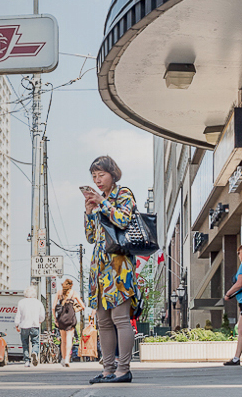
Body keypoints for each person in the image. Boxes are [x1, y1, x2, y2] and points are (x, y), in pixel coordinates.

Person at [83, 155, 140, 384]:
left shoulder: (123, 194)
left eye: (101, 174)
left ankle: (123, 369)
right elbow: (90, 237)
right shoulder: (99, 200)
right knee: (103, 321)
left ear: (112, 174)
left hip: (119, 266)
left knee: (120, 319)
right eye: (94, 176)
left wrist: (103, 203)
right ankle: (108, 370)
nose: (97, 179)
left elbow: (124, 220)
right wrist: (89, 211)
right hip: (99, 268)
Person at [54, 278, 86, 367]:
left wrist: (55, 319)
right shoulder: (74, 294)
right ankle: (67, 358)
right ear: (71, 286)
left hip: (61, 318)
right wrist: (75, 309)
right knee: (69, 340)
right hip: (70, 318)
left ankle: (63, 358)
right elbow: (83, 306)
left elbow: (53, 307)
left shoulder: (59, 293)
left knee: (63, 341)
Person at [14, 286, 45, 367]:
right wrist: (40, 321)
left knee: (25, 344)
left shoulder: (21, 302)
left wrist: (17, 324)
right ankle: (34, 352)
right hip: (35, 325)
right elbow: (42, 315)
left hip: (24, 325)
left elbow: (18, 315)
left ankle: (27, 361)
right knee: (35, 342)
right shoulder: (38, 302)